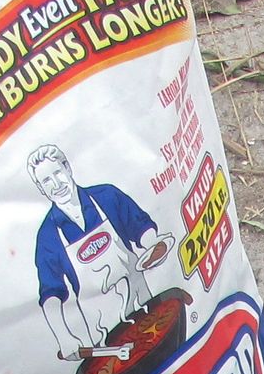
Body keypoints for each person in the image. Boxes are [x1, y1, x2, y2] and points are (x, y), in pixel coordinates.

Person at [29, 144, 171, 359]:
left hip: (147, 311)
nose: (56, 184)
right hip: (106, 338)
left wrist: (154, 244)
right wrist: (63, 336)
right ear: (41, 189)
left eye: (57, 173)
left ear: (68, 168)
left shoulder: (107, 196)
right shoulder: (48, 235)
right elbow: (51, 294)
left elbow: (140, 228)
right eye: (47, 181)